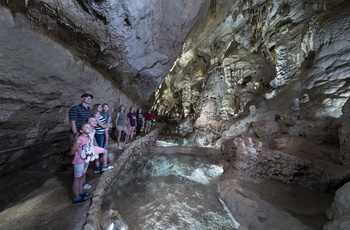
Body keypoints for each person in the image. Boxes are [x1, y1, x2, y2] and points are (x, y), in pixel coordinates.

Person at [68, 93, 93, 190]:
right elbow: (72, 122)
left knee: (85, 156)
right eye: (87, 97)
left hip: (86, 135)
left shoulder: (88, 110)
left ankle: (82, 180)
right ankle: (77, 179)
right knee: (77, 157)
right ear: (82, 99)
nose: (89, 99)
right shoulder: (75, 109)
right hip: (78, 135)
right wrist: (76, 134)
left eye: (90, 98)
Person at [70, 123, 93, 205]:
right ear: (81, 130)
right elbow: (72, 152)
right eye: (86, 127)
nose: (89, 128)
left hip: (85, 160)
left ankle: (80, 192)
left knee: (82, 176)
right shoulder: (79, 140)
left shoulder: (89, 138)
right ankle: (76, 198)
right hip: (79, 161)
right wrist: (79, 156)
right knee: (77, 179)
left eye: (90, 127)